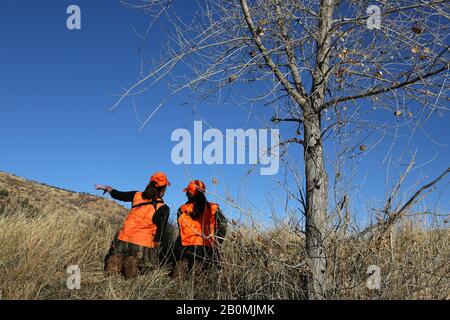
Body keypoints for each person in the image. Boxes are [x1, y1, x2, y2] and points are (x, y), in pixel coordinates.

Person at [96, 172, 170, 279]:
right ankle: (132, 265)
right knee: (138, 262)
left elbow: (119, 195)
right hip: (141, 244)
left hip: (123, 239)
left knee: (117, 256)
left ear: (149, 184)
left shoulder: (136, 195)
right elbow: (160, 232)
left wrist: (108, 189)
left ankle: (113, 265)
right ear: (163, 190)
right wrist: (156, 250)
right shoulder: (163, 207)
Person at [172, 180, 227, 277]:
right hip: (206, 251)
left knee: (177, 281)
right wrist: (216, 241)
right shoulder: (214, 208)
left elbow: (181, 231)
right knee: (200, 283)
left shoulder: (181, 209)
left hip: (184, 251)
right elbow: (223, 226)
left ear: (188, 194)